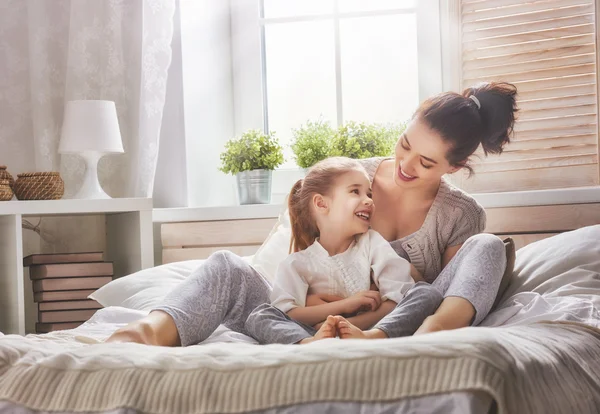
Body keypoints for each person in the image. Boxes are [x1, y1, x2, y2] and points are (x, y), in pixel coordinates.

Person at [106, 81, 516, 346]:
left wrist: (374, 313)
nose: (407, 164)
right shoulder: (353, 178)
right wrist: (317, 306)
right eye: (404, 143)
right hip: (303, 318)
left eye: (426, 163)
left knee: (487, 246)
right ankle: (142, 334)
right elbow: (304, 257)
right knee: (226, 266)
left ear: (454, 167)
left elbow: (439, 293)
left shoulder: (461, 214)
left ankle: (435, 342)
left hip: (391, 325)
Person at [244, 157, 443, 345]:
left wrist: (353, 327)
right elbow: (288, 313)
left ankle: (369, 338)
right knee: (260, 315)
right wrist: (345, 305)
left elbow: (398, 295)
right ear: (321, 203)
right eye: (355, 191)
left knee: (426, 292)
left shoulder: (372, 243)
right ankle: (309, 344)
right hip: (312, 332)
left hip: (371, 328)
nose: (369, 201)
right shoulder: (296, 263)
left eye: (369, 194)